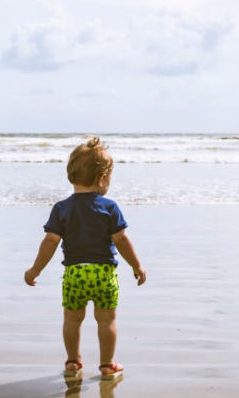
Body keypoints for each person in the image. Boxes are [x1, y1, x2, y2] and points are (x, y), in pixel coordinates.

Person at [24, 136, 147, 380]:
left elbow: (50, 241)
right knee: (106, 319)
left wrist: (35, 269)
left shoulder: (62, 208)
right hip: (104, 274)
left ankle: (72, 361)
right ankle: (106, 364)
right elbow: (121, 240)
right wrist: (136, 265)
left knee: (72, 318)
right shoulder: (109, 207)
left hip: (75, 274)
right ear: (103, 179)